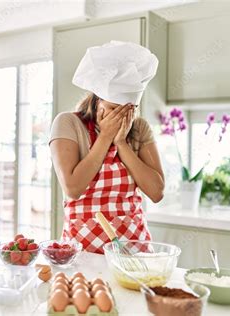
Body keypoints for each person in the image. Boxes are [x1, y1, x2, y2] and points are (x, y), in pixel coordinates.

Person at [49, 41, 165, 254]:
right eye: (113, 109)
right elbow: (73, 189)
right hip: (83, 250)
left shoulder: (138, 128)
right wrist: (105, 137)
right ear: (96, 101)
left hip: (134, 248)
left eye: (129, 110)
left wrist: (121, 143)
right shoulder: (68, 123)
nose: (121, 117)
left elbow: (157, 192)